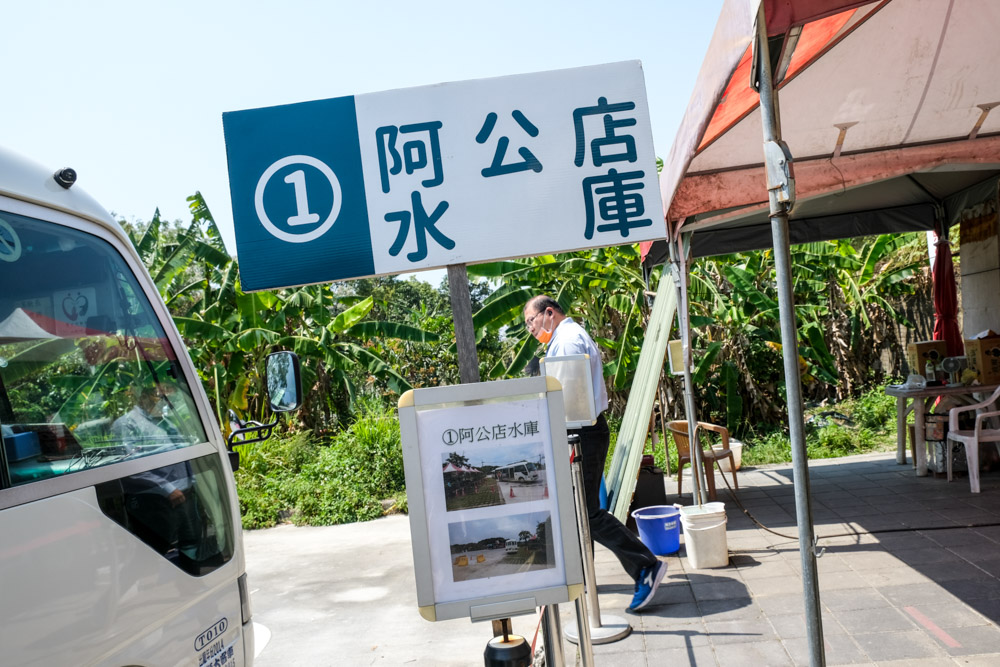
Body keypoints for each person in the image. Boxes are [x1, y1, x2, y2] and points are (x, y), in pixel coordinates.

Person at [523, 295, 665, 611]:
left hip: (581, 433)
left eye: (530, 321)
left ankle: (645, 565)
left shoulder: (568, 342)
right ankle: (578, 576)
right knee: (577, 511)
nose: (529, 329)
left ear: (548, 313)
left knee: (587, 512)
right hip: (581, 431)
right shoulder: (566, 338)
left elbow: (567, 401)